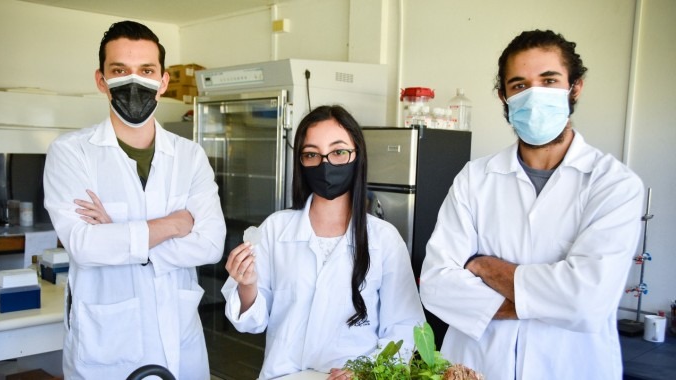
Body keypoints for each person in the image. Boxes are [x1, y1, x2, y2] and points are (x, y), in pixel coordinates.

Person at [419, 30, 644, 380]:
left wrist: (486, 267)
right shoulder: (474, 178)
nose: (534, 95)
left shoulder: (614, 184)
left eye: (549, 81)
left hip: (571, 368)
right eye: (520, 85)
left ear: (575, 88)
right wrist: (548, 301)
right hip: (475, 367)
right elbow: (436, 285)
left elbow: (586, 300)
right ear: (503, 97)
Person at [43, 21, 226, 379]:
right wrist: (173, 225)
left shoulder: (189, 157)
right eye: (119, 71)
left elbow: (211, 245)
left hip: (180, 343)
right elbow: (83, 246)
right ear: (101, 80)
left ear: (163, 81)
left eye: (146, 70)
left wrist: (119, 234)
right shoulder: (71, 153)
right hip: (106, 348)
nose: (134, 81)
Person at [221, 105, 425, 379]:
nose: (325, 163)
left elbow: (405, 328)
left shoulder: (384, 240)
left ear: (357, 156)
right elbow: (252, 322)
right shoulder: (275, 229)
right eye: (311, 154)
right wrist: (247, 285)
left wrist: (366, 373)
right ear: (301, 162)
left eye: (338, 152)